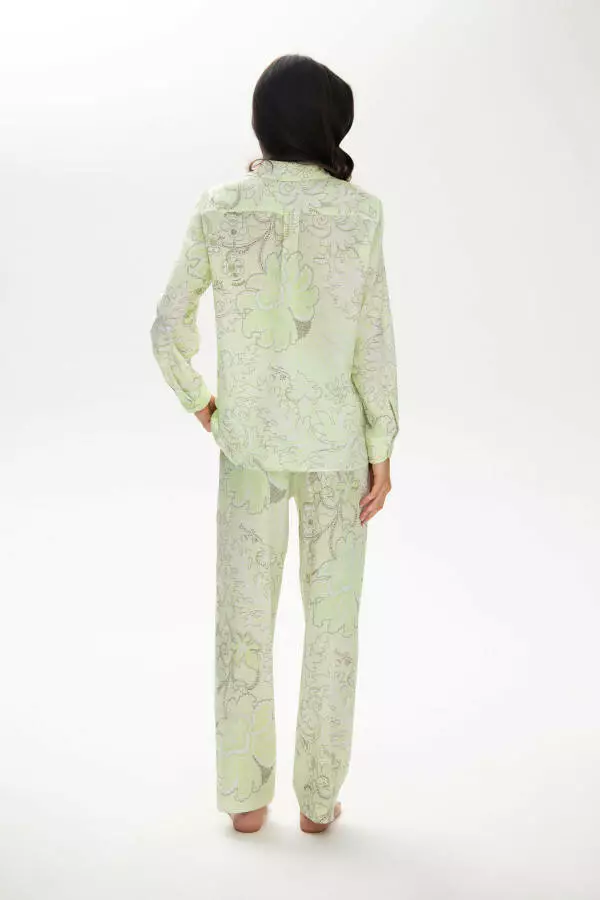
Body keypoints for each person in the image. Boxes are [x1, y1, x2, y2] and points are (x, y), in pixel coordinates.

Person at [150, 54, 399, 834]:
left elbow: (166, 326)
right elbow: (373, 342)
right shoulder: (360, 214)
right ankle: (318, 803)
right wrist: (382, 443)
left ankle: (246, 801)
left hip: (249, 446)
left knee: (243, 621)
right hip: (336, 449)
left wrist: (203, 403)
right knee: (333, 629)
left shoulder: (221, 207)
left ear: (262, 121)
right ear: (327, 126)